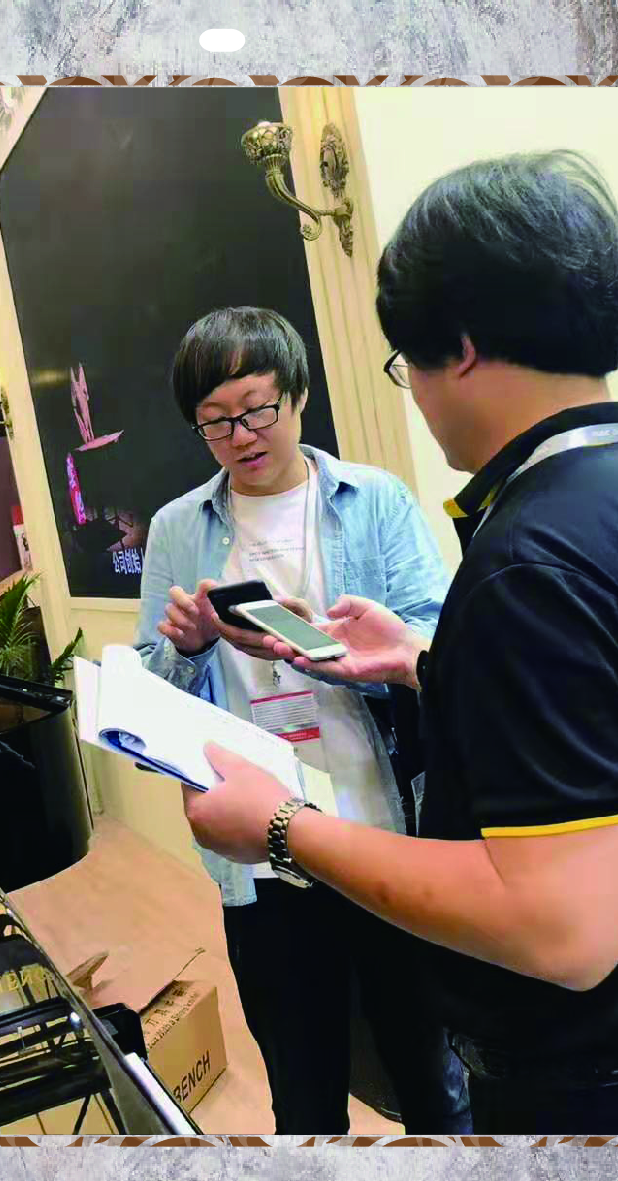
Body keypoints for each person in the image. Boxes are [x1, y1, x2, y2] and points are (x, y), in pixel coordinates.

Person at [179, 153, 618, 1135]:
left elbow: (558, 930)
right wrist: (422, 662)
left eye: (406, 363)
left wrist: (279, 826)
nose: (413, 392)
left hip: (600, 1090)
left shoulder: (532, 558)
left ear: (464, 347)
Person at [134, 306, 470, 1135]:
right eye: (215, 422)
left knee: (431, 1078)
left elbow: (441, 643)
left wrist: (347, 647)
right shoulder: (178, 528)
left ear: (298, 394)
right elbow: (150, 694)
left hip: (384, 833)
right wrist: (188, 648)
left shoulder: (374, 500)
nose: (241, 436)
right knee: (302, 1091)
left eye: (257, 409)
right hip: (261, 852)